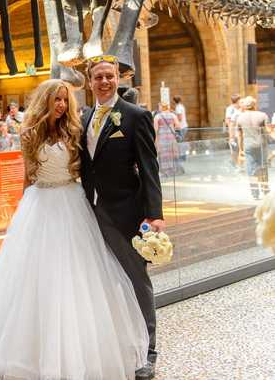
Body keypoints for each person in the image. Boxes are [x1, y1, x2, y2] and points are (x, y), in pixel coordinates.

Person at [0, 79, 149, 379]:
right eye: (56, 99)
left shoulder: (74, 130)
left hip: (71, 204)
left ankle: (80, 350)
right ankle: (31, 352)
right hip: (41, 203)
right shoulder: (30, 132)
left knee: (76, 275)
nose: (61, 105)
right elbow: (26, 175)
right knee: (36, 277)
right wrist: (21, 213)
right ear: (45, 100)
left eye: (65, 99)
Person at [80, 55, 164, 380]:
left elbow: (149, 168)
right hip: (89, 214)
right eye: (98, 77)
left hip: (126, 214)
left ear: (117, 78)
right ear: (90, 82)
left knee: (137, 281)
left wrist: (154, 215)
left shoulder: (135, 116)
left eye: (109, 76)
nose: (104, 82)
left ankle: (148, 353)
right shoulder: (85, 117)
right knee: (104, 282)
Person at [236, 96, 270, 200]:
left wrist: (240, 149)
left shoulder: (240, 118)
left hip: (248, 146)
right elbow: (269, 130)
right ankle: (265, 190)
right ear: (254, 105)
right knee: (263, 167)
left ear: (245, 106)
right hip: (261, 145)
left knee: (251, 170)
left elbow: (240, 136)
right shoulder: (262, 115)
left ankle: (255, 193)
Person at [154, 102, 182, 177]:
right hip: (171, 137)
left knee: (163, 154)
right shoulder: (173, 115)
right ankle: (172, 171)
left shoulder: (157, 116)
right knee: (171, 154)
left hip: (161, 138)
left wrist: (156, 142)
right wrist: (171, 126)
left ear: (161, 107)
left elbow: (155, 130)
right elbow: (178, 126)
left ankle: (164, 172)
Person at [226, 94, 242, 170]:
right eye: (240, 100)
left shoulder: (240, 109)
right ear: (237, 100)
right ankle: (234, 163)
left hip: (239, 132)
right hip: (234, 132)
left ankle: (237, 164)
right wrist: (231, 136)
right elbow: (228, 121)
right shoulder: (230, 109)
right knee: (235, 150)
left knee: (239, 149)